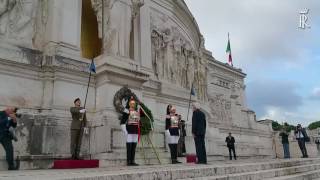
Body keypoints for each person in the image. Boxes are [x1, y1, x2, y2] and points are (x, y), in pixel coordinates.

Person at [121, 96, 144, 166]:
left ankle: (132, 160)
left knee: (134, 145)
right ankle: (128, 161)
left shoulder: (136, 112)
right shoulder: (127, 111)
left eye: (134, 103)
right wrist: (125, 131)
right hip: (129, 129)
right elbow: (122, 122)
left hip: (135, 130)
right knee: (129, 145)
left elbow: (138, 121)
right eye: (131, 103)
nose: (133, 104)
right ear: (129, 103)